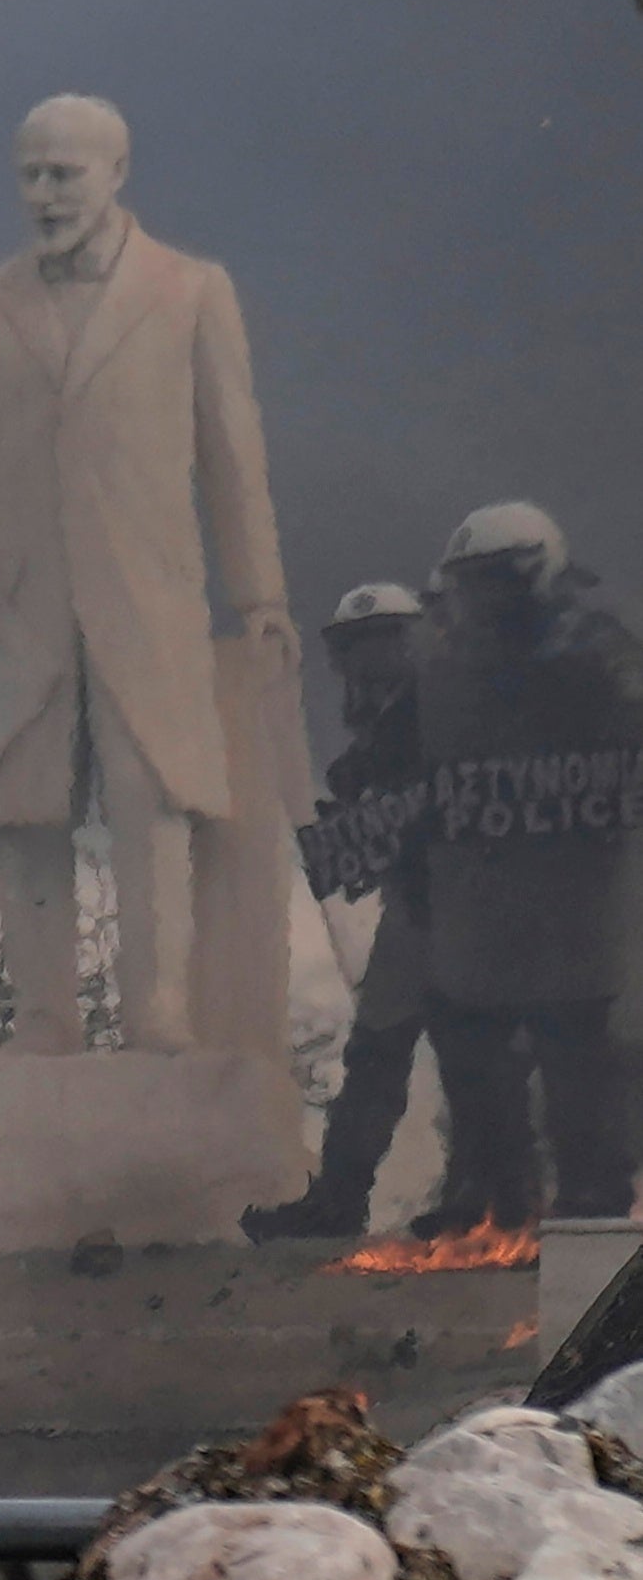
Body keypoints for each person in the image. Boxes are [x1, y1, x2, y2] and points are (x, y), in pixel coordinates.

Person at [0, 94, 303, 1056]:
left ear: (116, 173)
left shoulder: (189, 291)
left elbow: (231, 456)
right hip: (14, 605)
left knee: (149, 802)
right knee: (26, 814)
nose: (42, 192)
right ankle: (43, 1020)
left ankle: (157, 1011)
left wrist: (260, 596)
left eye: (63, 172)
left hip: (146, 595)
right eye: (28, 173)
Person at [411, 503, 642, 1233]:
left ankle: (593, 1200)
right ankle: (500, 1198)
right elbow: (416, 764)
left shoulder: (599, 652)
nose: (480, 596)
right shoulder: (447, 665)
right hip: (486, 895)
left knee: (574, 1048)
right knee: (471, 1043)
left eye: (492, 579)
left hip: (577, 893)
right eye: (469, 582)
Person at [246, 585, 444, 1242]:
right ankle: (340, 1200)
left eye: (380, 643)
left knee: (477, 1057)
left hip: (470, 906)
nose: (366, 661)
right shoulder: (385, 721)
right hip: (414, 906)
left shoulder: (444, 706)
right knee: (379, 1054)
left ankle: (491, 1197)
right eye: (355, 647)